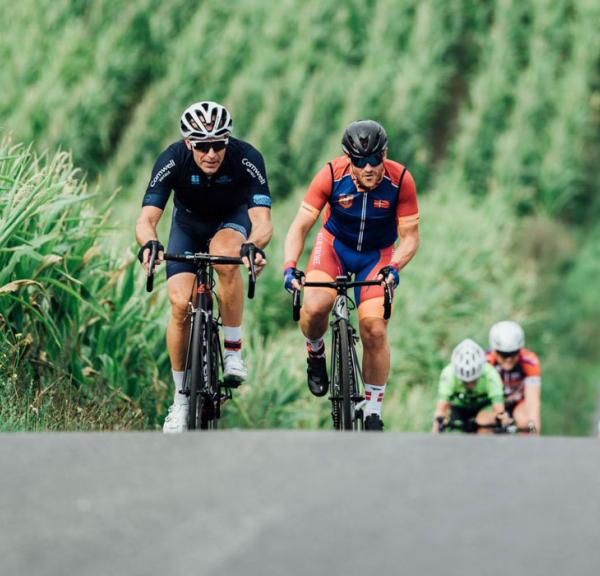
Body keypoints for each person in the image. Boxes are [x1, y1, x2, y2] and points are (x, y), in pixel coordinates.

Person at [135, 101, 273, 433]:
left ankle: (233, 351)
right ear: (188, 144)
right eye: (202, 146)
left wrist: (254, 245)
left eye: (218, 145)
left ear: (228, 142)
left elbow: (262, 221)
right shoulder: (172, 159)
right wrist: (150, 244)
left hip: (230, 222)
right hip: (188, 227)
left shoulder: (246, 158)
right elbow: (146, 219)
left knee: (225, 256)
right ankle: (181, 401)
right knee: (180, 305)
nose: (211, 153)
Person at [283, 120, 419, 431]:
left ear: (385, 154)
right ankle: (315, 352)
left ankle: (372, 408)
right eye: (360, 161)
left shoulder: (401, 181)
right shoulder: (331, 174)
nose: (368, 168)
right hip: (334, 247)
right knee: (315, 306)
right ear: (348, 158)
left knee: (374, 331)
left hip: (377, 255)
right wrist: (290, 265)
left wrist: (394, 266)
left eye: (375, 159)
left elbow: (410, 237)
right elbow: (301, 224)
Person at [432, 339, 510, 434]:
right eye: (465, 381)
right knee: (445, 424)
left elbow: (499, 412)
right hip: (459, 407)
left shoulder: (491, 375)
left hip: (483, 407)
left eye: (473, 380)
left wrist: (501, 423)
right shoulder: (448, 374)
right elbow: (440, 411)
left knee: (484, 422)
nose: (469, 385)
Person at [487, 321, 541, 433]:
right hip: (492, 403)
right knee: (484, 421)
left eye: (513, 353)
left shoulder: (530, 361)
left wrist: (533, 432)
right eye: (504, 354)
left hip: (518, 404)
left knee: (525, 420)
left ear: (520, 350)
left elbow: (533, 403)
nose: (509, 359)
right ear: (494, 351)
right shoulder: (485, 362)